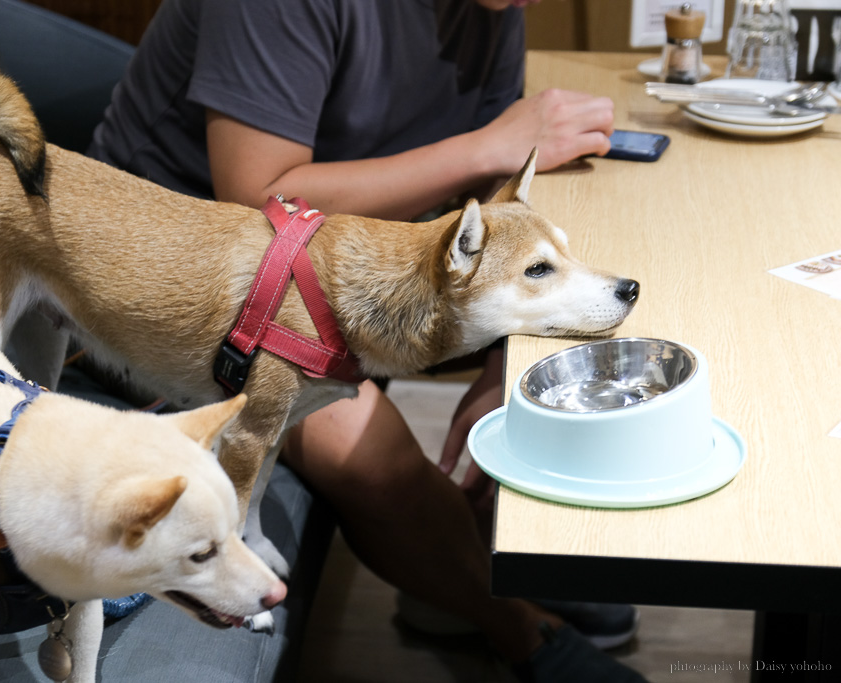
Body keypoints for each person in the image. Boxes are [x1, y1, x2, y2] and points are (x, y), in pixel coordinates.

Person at [87, 0, 647, 680]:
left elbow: (496, 205)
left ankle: (471, 561)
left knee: (585, 331)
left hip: (363, 262)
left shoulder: (496, 6)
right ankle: (519, 628)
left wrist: (507, 357)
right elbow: (259, 197)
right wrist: (487, 145)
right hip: (190, 288)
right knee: (370, 456)